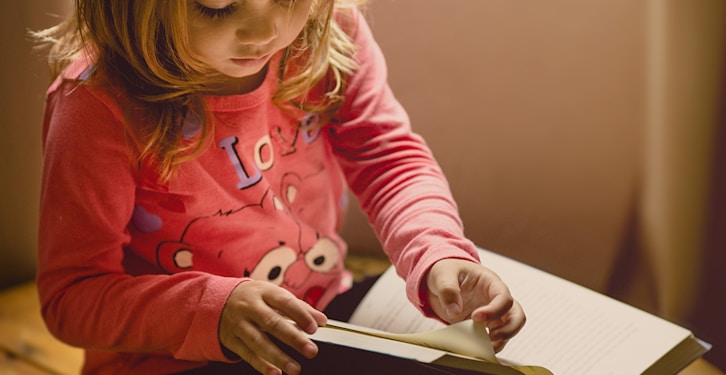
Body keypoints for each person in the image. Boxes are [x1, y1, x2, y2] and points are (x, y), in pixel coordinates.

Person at [34, 1, 526, 374]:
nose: (266, 31)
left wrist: (437, 251)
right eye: (217, 5)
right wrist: (212, 311)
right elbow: (72, 298)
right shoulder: (96, 104)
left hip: (324, 315)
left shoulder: (328, 35)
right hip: (173, 362)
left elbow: (387, 157)